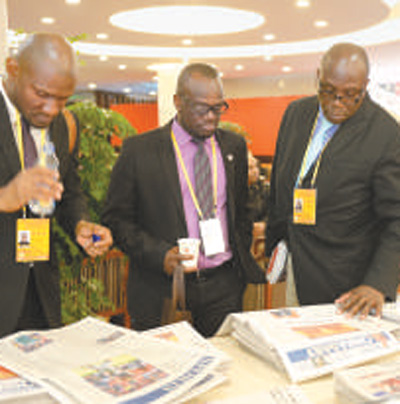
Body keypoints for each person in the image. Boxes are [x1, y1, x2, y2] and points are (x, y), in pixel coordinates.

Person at [102, 62, 264, 337]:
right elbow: (116, 220)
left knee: (223, 360)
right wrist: (159, 254)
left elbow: (241, 211)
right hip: (163, 289)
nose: (211, 117)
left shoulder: (233, 146)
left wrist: (238, 260)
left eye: (218, 108)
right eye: (202, 108)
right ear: (178, 102)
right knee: (165, 360)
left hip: (224, 286)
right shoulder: (140, 151)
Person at [266, 42, 400, 318]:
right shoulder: (296, 114)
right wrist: (275, 243)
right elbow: (280, 180)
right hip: (296, 268)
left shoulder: (386, 134)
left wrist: (377, 283)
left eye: (350, 94)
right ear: (318, 77)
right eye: (328, 91)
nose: (337, 102)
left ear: (365, 85)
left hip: (350, 287)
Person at [0, 32, 113, 337]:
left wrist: (80, 224)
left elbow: (69, 188)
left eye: (62, 99)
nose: (51, 109)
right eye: (41, 93)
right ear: (12, 69)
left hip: (40, 289)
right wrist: (5, 197)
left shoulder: (62, 124)